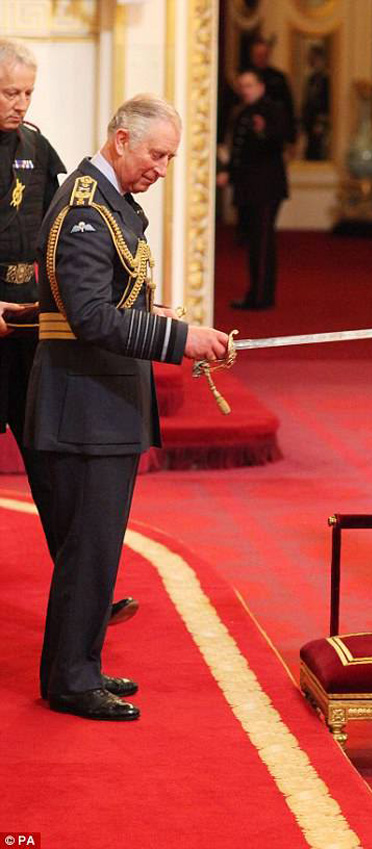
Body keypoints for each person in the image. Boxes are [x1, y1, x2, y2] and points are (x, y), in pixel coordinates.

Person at [24, 94, 229, 721]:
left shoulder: (110, 203)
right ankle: (71, 680)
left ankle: (79, 666)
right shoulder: (86, 211)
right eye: (156, 155)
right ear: (121, 140)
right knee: (88, 551)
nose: (162, 169)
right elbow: (89, 317)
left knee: (96, 550)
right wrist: (177, 339)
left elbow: (109, 300)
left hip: (100, 400)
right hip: (84, 404)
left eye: (170, 158)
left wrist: (157, 318)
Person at [0, 38, 136, 626]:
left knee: (51, 469)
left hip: (28, 332)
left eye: (27, 93)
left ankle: (86, 598)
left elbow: (59, 232)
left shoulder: (36, 147)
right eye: (9, 92)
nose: (20, 103)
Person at [219, 70, 288, 311]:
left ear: (260, 87)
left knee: (263, 242)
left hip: (267, 188)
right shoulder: (241, 112)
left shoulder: (273, 110)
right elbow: (237, 149)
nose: (245, 90)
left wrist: (263, 131)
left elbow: (282, 138)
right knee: (251, 242)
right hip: (247, 187)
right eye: (242, 86)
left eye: (249, 85)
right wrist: (228, 172)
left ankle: (261, 296)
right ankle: (255, 293)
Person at [247, 37, 297, 145]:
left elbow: (288, 107)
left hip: (273, 133)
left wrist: (292, 139)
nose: (261, 58)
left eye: (264, 55)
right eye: (258, 55)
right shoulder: (245, 77)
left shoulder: (278, 78)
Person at [301, 44, 330, 161]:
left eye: (314, 58)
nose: (312, 62)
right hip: (309, 121)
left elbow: (326, 103)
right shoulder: (311, 79)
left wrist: (321, 122)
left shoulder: (327, 79)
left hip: (319, 122)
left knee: (317, 151)